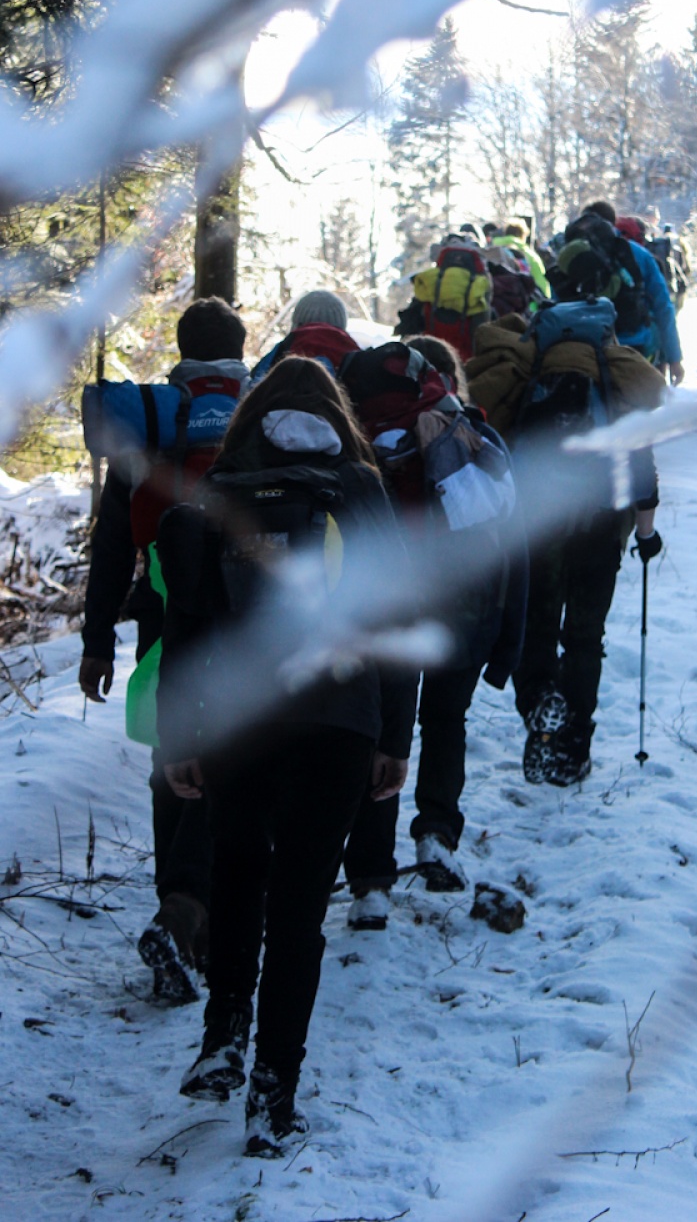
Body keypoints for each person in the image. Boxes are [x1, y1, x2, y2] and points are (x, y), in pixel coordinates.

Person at [156, 356, 416, 1157]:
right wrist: (392, 740)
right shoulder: (359, 487)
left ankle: (224, 1034)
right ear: (334, 416)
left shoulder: (224, 487)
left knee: (238, 876)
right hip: (338, 722)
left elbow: (188, 627)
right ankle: (274, 1097)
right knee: (299, 910)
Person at [79, 296, 248, 1003]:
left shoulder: (149, 424)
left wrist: (97, 645)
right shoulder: (256, 414)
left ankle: (177, 911)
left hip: (163, 618)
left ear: (181, 349)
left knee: (170, 758)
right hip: (243, 620)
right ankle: (187, 918)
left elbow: (113, 548)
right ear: (240, 345)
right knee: (230, 763)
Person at [341, 335, 526, 925]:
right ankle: (438, 833)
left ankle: (370, 881)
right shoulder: (466, 433)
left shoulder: (358, 435)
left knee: (378, 736)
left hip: (384, 607)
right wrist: (506, 646)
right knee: (446, 720)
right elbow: (511, 548)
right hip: (463, 607)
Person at [466, 299, 665, 786]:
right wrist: (647, 533)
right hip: (600, 522)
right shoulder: (617, 379)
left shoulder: (527, 372)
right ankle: (573, 747)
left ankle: (538, 708)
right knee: (583, 637)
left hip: (538, 524)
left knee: (535, 628)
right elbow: (642, 469)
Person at [559, 206, 684, 385]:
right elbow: (663, 306)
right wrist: (674, 358)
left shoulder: (570, 256)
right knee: (642, 408)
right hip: (637, 348)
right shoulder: (638, 254)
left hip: (587, 351)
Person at [251, 289, 358, 383]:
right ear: (342, 327)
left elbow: (253, 389)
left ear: (296, 324)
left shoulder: (281, 350)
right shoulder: (356, 357)